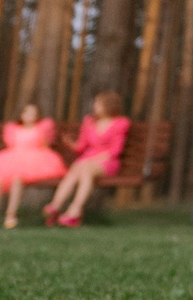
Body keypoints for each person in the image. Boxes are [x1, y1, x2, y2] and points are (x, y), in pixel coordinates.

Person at [0, 103, 65, 229]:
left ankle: (11, 215)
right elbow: (11, 145)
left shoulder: (41, 128)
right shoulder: (13, 129)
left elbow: (45, 145)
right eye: (27, 112)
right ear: (21, 115)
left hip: (34, 160)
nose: (30, 116)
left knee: (17, 179)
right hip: (13, 158)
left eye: (33, 113)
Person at [44, 92, 131, 227]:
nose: (94, 106)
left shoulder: (120, 123)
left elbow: (115, 151)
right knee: (74, 171)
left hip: (107, 161)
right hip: (86, 161)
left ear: (109, 105)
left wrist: (93, 160)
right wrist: (71, 143)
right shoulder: (89, 122)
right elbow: (81, 147)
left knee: (85, 169)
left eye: (98, 103)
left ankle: (75, 209)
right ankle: (55, 206)